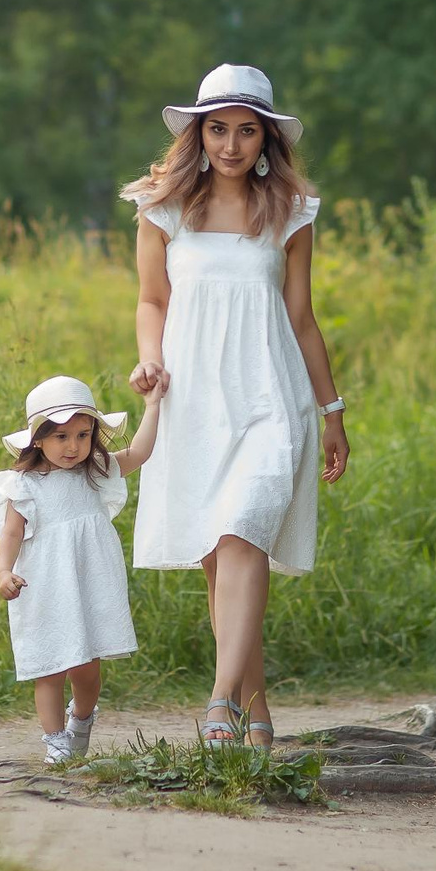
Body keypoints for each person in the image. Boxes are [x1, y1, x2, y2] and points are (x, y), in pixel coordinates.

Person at [121, 63, 350, 749]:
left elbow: (302, 316)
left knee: (245, 529)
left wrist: (332, 410)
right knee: (220, 558)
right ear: (198, 133)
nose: (230, 144)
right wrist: (149, 356)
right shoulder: (161, 209)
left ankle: (219, 700)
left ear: (265, 140)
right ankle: (257, 711)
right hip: (192, 397)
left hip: (270, 395)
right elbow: (151, 300)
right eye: (217, 128)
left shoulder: (292, 212)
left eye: (246, 131)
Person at [0, 374, 164, 764]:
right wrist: (3, 572)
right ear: (38, 438)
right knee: (49, 666)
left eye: (83, 435)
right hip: (44, 583)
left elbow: (138, 453)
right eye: (62, 437)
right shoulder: (23, 484)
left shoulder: (95, 471)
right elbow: (12, 533)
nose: (74, 447)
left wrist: (152, 406)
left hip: (90, 580)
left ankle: (80, 721)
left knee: (87, 668)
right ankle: (55, 742)